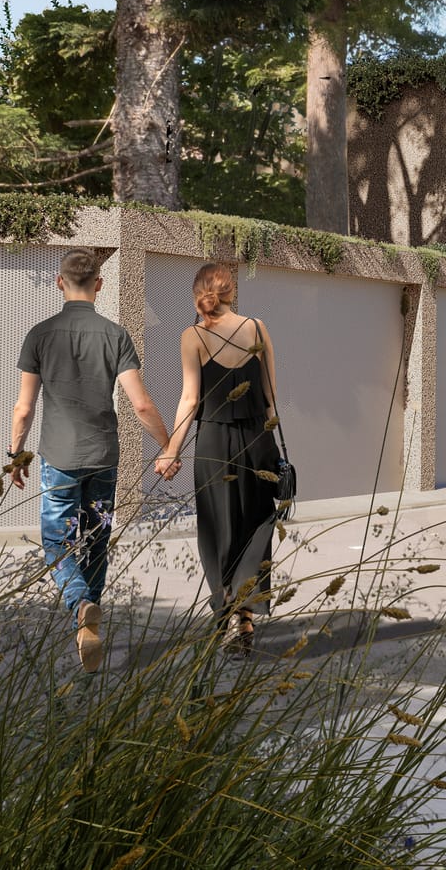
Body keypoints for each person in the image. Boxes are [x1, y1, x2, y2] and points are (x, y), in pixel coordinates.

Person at [8, 248, 177, 672]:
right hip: (104, 456)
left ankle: (80, 603)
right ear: (99, 285)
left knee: (56, 540)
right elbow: (140, 404)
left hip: (59, 458)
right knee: (98, 536)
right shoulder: (116, 335)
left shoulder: (39, 334)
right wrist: (168, 445)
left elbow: (24, 409)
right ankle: (90, 624)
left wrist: (15, 456)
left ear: (59, 282)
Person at [160, 262, 282, 654]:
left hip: (213, 443)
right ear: (233, 292)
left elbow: (190, 399)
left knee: (218, 527)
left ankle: (223, 608)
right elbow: (270, 395)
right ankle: (245, 616)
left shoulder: (192, 336)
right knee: (256, 522)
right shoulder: (258, 328)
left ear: (198, 294)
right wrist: (271, 444)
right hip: (256, 439)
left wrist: (171, 451)